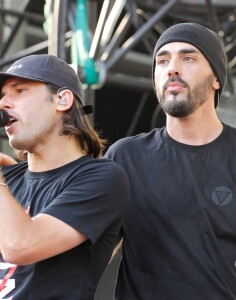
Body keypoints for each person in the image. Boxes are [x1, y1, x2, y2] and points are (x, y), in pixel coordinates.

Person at [0, 54, 130, 299]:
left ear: (62, 99)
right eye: (1, 97)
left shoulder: (102, 179)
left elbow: (20, 245)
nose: (2, 104)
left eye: (20, 91)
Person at [105, 23, 236, 299]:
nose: (172, 68)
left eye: (188, 58)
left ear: (216, 78)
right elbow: (84, 254)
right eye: (162, 60)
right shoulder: (125, 157)